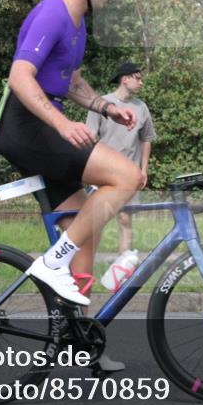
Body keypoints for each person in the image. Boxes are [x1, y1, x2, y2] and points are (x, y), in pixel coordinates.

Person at [0, 0, 143, 313]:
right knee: (127, 177)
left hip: (37, 127)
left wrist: (106, 108)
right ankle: (52, 263)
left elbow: (72, 83)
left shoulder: (77, 26)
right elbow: (20, 77)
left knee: (84, 228)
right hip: (24, 127)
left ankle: (77, 331)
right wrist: (62, 125)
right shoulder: (52, 13)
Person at [85, 63, 155, 290]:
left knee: (125, 220)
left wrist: (143, 169)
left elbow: (146, 139)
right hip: (103, 174)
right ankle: (84, 271)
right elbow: (90, 138)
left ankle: (121, 275)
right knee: (95, 222)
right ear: (125, 79)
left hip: (130, 175)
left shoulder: (142, 108)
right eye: (137, 78)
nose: (141, 82)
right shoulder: (102, 104)